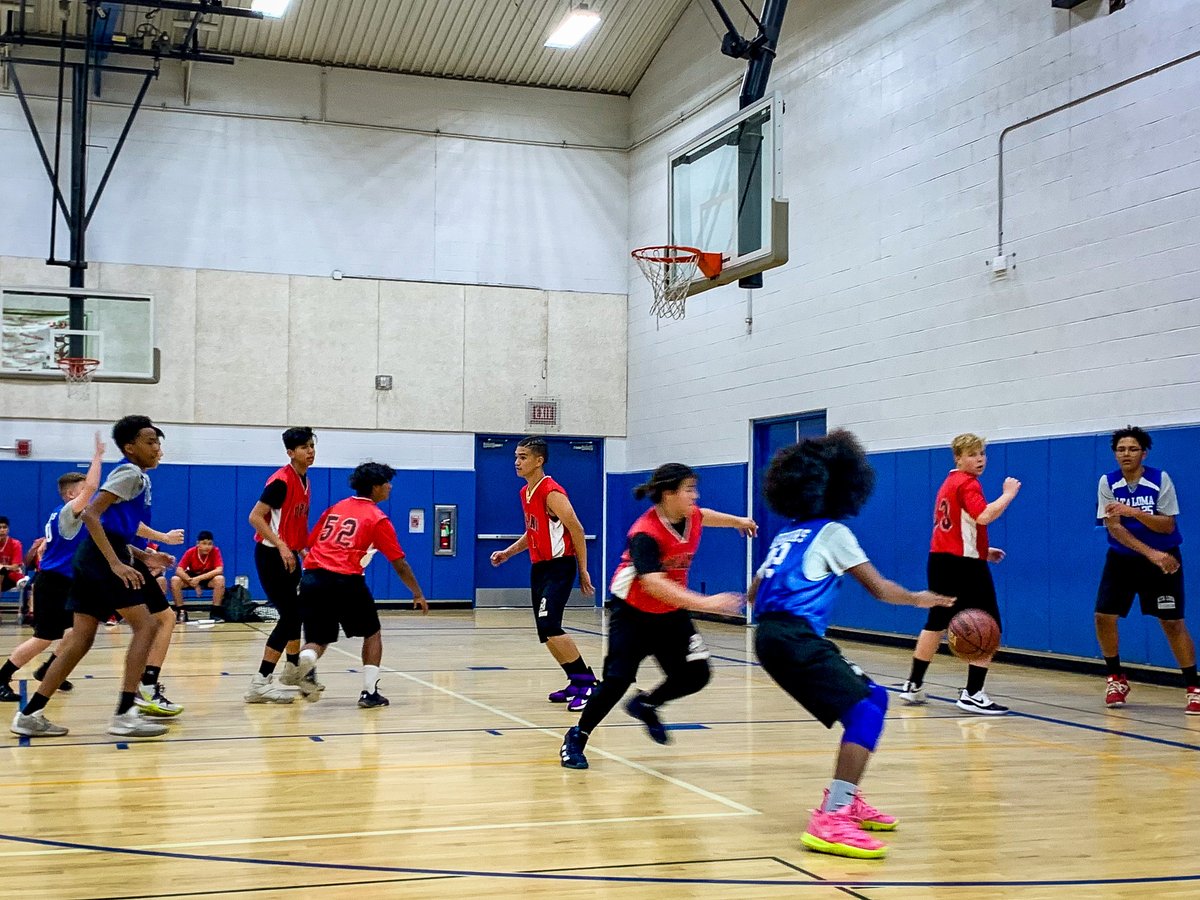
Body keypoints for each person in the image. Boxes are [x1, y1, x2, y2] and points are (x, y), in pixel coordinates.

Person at [750, 431, 954, 859]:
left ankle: (846, 796)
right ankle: (831, 819)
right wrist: (918, 598)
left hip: (772, 636)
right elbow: (878, 588)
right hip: (794, 638)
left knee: (875, 698)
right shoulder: (832, 533)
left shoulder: (788, 534)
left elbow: (755, 591)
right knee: (864, 711)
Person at [559, 463, 755, 770]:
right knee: (617, 681)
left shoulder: (691, 516)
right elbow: (653, 583)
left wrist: (737, 521)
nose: (695, 495)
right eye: (689, 489)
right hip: (633, 614)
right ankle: (576, 737)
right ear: (668, 494)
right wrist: (707, 603)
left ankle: (647, 704)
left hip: (670, 613)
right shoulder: (645, 533)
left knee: (696, 673)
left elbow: (706, 516)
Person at [11, 415, 177, 738]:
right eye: (150, 442)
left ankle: (30, 714)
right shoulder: (129, 473)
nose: (157, 448)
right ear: (130, 447)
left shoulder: (137, 477)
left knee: (80, 640)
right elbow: (91, 514)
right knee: (147, 627)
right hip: (102, 561)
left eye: (158, 442)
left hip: (93, 559)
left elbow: (115, 527)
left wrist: (144, 555)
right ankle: (125, 713)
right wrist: (115, 563)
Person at [900, 433, 1020, 715]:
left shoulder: (948, 483)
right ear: (958, 458)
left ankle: (913, 684)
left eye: (982, 454)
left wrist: (982, 550)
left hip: (941, 560)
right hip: (963, 566)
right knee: (989, 624)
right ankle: (973, 694)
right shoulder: (968, 483)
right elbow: (983, 516)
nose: (979, 459)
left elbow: (955, 526)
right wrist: (1008, 494)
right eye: (972, 454)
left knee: (937, 621)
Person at [294, 462, 427, 707]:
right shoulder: (377, 518)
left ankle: (306, 658)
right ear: (375, 487)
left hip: (312, 578)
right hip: (346, 580)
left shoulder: (336, 508)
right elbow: (399, 563)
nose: (390, 487)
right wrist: (417, 593)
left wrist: (315, 567)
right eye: (387, 483)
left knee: (318, 639)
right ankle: (369, 693)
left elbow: (308, 544)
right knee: (372, 633)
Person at [1094, 426, 1198, 713]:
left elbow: (1167, 525)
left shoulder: (1159, 479)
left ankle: (1193, 686)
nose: (1126, 454)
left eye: (1132, 449)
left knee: (1172, 622)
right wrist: (1151, 554)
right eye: (1121, 449)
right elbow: (1114, 528)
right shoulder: (1108, 482)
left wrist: (1134, 512)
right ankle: (1115, 678)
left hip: (1165, 558)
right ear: (1115, 454)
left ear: (1144, 453)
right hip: (1124, 559)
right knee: (1103, 616)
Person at [491, 437, 597, 711]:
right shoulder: (525, 492)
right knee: (545, 632)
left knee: (550, 625)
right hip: (540, 568)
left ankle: (588, 683)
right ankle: (576, 681)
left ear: (539, 460)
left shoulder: (551, 492)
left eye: (523, 457)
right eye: (516, 456)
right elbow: (533, 532)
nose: (517, 462)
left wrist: (583, 570)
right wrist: (508, 553)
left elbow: (577, 529)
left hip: (560, 566)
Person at [0, 432, 106, 701]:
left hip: (69, 582)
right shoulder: (68, 512)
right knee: (43, 638)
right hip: (53, 583)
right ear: (71, 495)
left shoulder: (75, 516)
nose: (90, 494)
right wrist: (97, 457)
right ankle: (2, 678)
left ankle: (49, 669)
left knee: (79, 630)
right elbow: (93, 486)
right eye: (83, 491)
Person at [245, 427, 318, 704]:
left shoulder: (305, 480)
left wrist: (302, 551)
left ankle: (292, 670)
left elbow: (293, 524)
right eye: (304, 447)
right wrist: (282, 545)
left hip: (289, 555)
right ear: (290, 452)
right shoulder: (281, 482)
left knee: (296, 615)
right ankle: (260, 682)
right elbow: (255, 517)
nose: (310, 451)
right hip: (271, 555)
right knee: (289, 617)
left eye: (311, 446)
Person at [171, 530, 225, 623]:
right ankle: (181, 611)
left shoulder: (215, 551)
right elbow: (179, 570)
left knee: (220, 579)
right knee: (175, 580)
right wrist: (192, 582)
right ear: (198, 544)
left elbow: (219, 570)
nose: (207, 547)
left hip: (207, 578)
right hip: (191, 578)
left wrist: (198, 579)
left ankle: (215, 612)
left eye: (210, 544)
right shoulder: (190, 552)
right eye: (204, 543)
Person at [0, 516, 25, 592]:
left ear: (8, 529)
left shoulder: (15, 544)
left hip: (10, 577)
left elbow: (15, 567)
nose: (2, 530)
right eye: (0, 527)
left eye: (4, 527)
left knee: (1, 571)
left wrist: (2, 567)